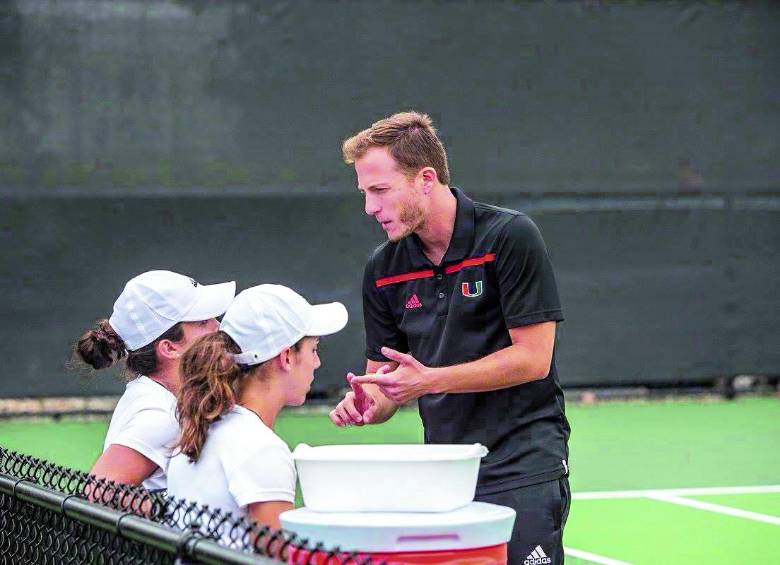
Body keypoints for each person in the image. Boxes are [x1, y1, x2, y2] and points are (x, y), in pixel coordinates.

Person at [329, 111, 570, 564]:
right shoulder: (382, 268)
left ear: (425, 179)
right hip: (445, 475)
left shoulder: (510, 236)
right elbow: (383, 383)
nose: (370, 208)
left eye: (380, 191)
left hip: (523, 463)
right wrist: (369, 401)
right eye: (364, 193)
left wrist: (430, 381)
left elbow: (533, 360)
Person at [167, 284, 348, 532]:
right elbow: (275, 556)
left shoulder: (201, 430)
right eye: (313, 349)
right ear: (285, 357)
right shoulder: (261, 448)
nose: (317, 362)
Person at [74, 270, 235, 491]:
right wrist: (173, 512)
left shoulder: (160, 397)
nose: (217, 326)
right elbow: (97, 493)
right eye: (202, 321)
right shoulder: (161, 417)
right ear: (169, 347)